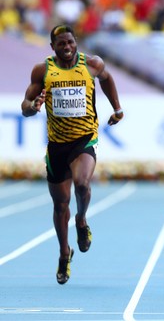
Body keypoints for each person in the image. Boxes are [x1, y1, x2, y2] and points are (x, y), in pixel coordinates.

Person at [21, 24, 124, 285]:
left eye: (70, 42)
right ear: (52, 47)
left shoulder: (91, 63)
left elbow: (108, 78)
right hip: (57, 145)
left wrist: (117, 108)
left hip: (84, 139)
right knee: (60, 204)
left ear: (76, 42)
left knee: (82, 183)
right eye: (61, 44)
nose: (67, 48)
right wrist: (33, 106)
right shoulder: (42, 70)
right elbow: (25, 106)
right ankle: (64, 253)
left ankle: (81, 220)